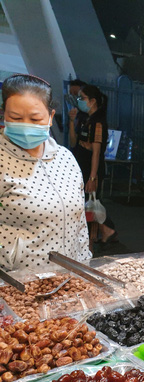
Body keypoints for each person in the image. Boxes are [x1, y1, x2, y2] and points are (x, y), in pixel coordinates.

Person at [0, 74, 91, 271]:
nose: (25, 125)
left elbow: (80, 222)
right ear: (4, 115)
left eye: (35, 118)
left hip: (70, 282)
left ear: (50, 117)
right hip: (17, 285)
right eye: (15, 118)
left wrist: (85, 263)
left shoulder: (66, 159)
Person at [70, 84, 117, 243]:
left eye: (82, 98)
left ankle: (96, 237)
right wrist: (71, 121)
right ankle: (102, 233)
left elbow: (96, 153)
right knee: (91, 204)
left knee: (92, 203)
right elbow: (74, 142)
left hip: (91, 170)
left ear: (93, 101)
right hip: (82, 168)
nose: (79, 101)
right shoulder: (84, 119)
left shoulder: (98, 123)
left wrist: (92, 177)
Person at [67, 79, 87, 149]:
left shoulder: (89, 117)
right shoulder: (75, 115)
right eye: (70, 94)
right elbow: (72, 143)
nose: (72, 96)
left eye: (75, 94)